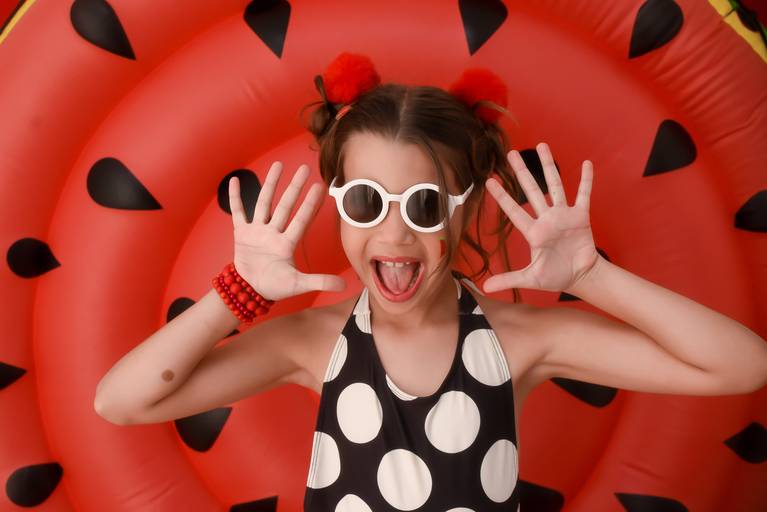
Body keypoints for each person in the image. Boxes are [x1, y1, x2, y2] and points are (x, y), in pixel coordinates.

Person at [94, 53, 767, 512]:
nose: (393, 234)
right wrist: (238, 291)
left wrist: (593, 277)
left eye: (423, 205)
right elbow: (121, 403)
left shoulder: (519, 341)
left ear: (465, 210)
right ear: (339, 206)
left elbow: (741, 366)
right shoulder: (312, 343)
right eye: (366, 203)